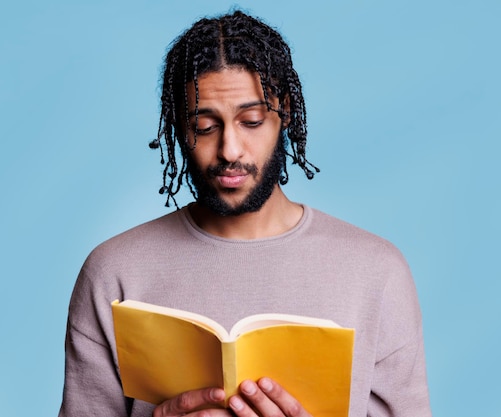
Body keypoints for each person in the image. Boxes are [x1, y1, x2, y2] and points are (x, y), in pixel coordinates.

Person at [59, 10, 431, 417]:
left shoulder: (376, 272)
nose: (230, 150)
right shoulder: (114, 272)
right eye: (204, 126)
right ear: (179, 127)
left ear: (284, 113)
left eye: (251, 121)